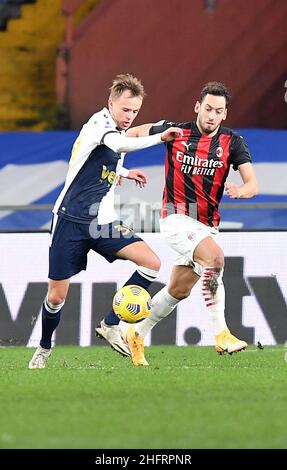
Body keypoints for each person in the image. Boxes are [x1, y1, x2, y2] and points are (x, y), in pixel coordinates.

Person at [28, 73, 182, 369]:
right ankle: (44, 349)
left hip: (101, 222)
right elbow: (118, 146)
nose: (129, 116)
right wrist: (159, 137)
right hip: (70, 220)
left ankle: (110, 323)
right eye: (125, 110)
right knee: (57, 296)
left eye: (135, 111)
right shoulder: (99, 124)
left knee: (151, 262)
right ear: (110, 103)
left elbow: (100, 160)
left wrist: (125, 174)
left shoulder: (114, 129)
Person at [100, 81, 259, 366]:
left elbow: (252, 184)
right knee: (216, 259)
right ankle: (221, 334)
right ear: (198, 107)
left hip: (206, 225)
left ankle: (136, 331)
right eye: (207, 108)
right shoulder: (175, 130)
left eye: (218, 111)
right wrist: (114, 158)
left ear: (225, 114)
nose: (211, 115)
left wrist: (241, 191)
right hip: (175, 218)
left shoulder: (232, 142)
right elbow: (132, 133)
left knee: (178, 290)